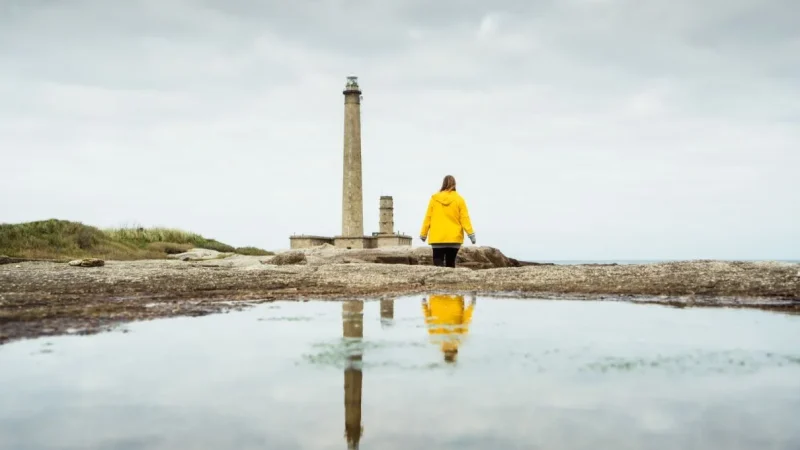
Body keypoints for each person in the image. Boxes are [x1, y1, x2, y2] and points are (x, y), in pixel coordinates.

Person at [418, 175, 476, 268]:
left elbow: (428, 217)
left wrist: (423, 234)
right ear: (454, 184)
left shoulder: (434, 199)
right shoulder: (459, 199)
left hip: (437, 237)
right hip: (454, 237)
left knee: (437, 261)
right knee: (451, 262)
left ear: (443, 184)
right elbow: (465, 218)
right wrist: (471, 234)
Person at [422, 294, 476, 364]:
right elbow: (428, 320)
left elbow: (466, 320)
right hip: (438, 298)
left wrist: (472, 303)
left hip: (450, 297)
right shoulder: (435, 340)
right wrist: (424, 303)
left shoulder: (460, 340)